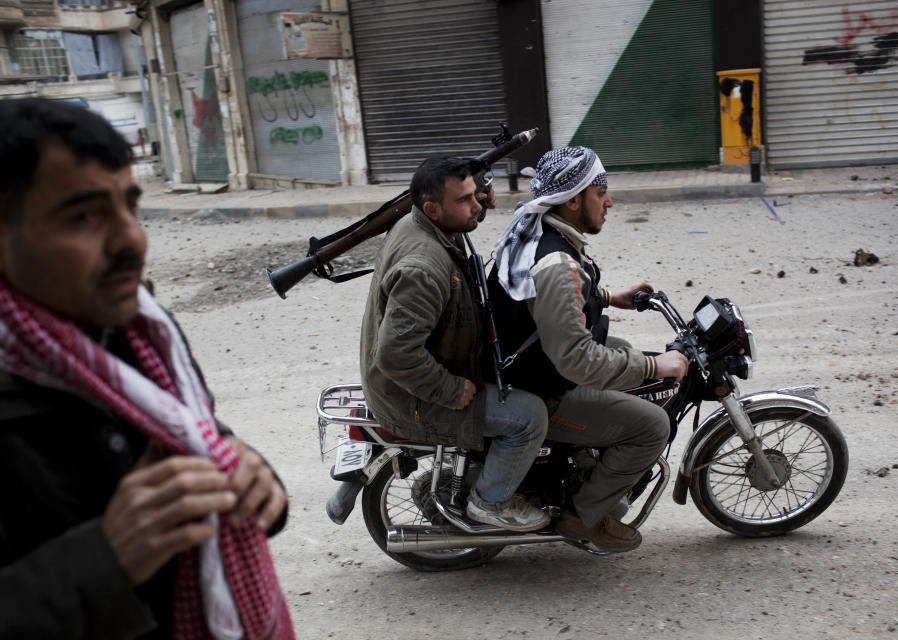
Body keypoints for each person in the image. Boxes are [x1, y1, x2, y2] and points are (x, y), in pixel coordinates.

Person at [0, 98, 294, 639]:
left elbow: (197, 438)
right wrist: (104, 559)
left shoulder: (143, 332)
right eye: (85, 216)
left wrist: (250, 477)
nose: (132, 239)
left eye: (130, 207)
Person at [488, 146, 690, 552]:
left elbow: (545, 300)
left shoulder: (541, 234)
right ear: (574, 199)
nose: (610, 202)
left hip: (527, 366)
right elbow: (578, 359)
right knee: (652, 426)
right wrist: (655, 365)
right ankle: (582, 519)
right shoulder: (556, 263)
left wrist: (610, 296)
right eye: (601, 192)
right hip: (542, 390)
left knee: (622, 349)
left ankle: (580, 462)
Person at [359, 156, 549, 532]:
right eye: (465, 200)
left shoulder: (426, 224)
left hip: (426, 372)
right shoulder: (424, 268)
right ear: (432, 208)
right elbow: (395, 355)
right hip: (413, 398)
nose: (476, 205)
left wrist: (475, 199)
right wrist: (449, 390)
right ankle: (491, 502)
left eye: (474, 195)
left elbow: (458, 198)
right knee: (529, 416)